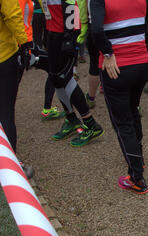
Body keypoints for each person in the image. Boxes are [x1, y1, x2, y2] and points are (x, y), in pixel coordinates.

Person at [90, 0, 148, 194]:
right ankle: (138, 161)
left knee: (123, 123)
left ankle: (136, 177)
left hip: (116, 69)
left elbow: (96, 31)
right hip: (140, 66)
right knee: (132, 112)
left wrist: (108, 53)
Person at [39, 0, 104, 147]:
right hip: (52, 34)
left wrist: (70, 39)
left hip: (64, 36)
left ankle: (91, 124)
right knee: (55, 79)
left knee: (66, 79)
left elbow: (72, 7)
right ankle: (71, 119)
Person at [0, 0, 35, 178]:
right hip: (4, 55)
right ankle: (11, 167)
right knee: (5, 113)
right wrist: (26, 43)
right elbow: (13, 15)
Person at [31, 0, 64, 120]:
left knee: (53, 70)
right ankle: (47, 110)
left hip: (27, 43)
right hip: (23, 46)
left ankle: (48, 109)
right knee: (53, 71)